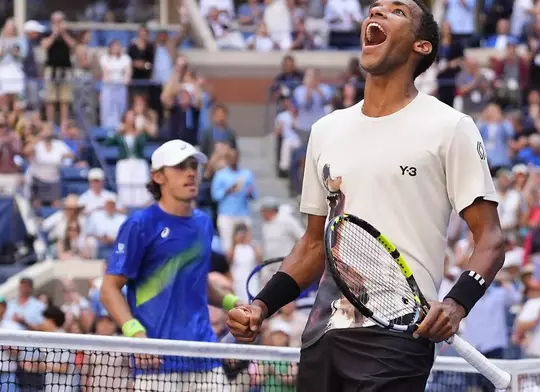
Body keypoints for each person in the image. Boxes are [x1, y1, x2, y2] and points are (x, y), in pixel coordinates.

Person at [226, 1, 505, 390]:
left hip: (398, 338)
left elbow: (490, 238)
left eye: (395, 11)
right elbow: (312, 245)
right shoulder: (326, 130)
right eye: (372, 9)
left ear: (421, 46)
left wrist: (457, 304)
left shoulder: (450, 127)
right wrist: (261, 305)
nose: (374, 14)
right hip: (322, 334)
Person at [100, 139, 242, 391]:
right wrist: (136, 335)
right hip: (157, 362)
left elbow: (199, 281)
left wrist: (233, 303)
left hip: (205, 356)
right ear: (158, 177)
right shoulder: (140, 225)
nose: (190, 173)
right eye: (179, 167)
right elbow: (109, 289)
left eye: (193, 166)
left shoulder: (204, 223)